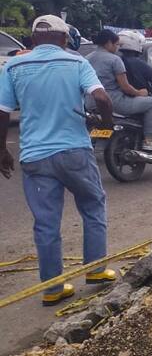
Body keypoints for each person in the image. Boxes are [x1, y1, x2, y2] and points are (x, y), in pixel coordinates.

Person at [0, 15, 116, 305]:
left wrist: (2, 150)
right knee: (92, 207)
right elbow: (102, 99)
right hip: (75, 151)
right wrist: (106, 125)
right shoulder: (77, 63)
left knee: (46, 223)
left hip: (35, 156)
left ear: (32, 40)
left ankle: (52, 288)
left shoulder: (13, 65)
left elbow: (2, 111)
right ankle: (96, 272)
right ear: (65, 40)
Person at [88, 29, 152, 151]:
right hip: (113, 103)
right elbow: (125, 87)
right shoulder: (115, 59)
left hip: (90, 103)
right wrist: (140, 93)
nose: (117, 48)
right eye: (116, 44)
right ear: (108, 43)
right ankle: (149, 140)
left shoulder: (86, 58)